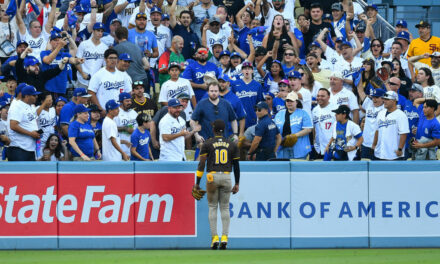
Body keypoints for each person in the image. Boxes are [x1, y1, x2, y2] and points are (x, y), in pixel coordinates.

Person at [193, 119, 240, 250]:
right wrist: (237, 183)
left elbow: (201, 164)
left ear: (213, 129)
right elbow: (236, 166)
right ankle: (224, 237)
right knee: (224, 208)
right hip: (226, 176)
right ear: (224, 130)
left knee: (212, 207)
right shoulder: (232, 144)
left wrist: (197, 182)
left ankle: (214, 238)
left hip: (212, 177)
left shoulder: (207, 143)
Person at [274, 91, 313, 159]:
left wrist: (294, 135)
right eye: (287, 101)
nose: (289, 103)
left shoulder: (303, 113)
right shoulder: (279, 114)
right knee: (284, 168)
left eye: (291, 101)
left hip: (299, 147)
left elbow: (308, 129)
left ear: (296, 102)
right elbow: (275, 130)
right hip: (283, 146)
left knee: (298, 168)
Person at [372, 91, 409, 160]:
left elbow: (403, 134)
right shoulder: (380, 113)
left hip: (393, 154)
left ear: (394, 101)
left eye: (387, 99)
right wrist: (374, 144)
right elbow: (377, 130)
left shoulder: (401, 115)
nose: (384, 101)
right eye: (384, 99)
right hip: (379, 152)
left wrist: (400, 149)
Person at [7, 85, 41, 161]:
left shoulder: (30, 106)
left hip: (29, 147)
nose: (36, 97)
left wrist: (35, 133)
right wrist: (30, 133)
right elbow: (13, 125)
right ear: (26, 96)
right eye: (34, 95)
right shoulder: (17, 106)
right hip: (19, 148)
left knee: (30, 172)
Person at [114, 26, 150, 93]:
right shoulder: (136, 47)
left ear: (116, 37)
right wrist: (137, 68)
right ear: (127, 36)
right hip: (143, 78)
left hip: (131, 81)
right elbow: (147, 65)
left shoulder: (116, 49)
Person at [231, 61, 264, 129]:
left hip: (253, 118)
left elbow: (260, 103)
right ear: (242, 71)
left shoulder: (257, 85)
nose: (247, 70)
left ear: (252, 71)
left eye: (249, 68)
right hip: (238, 118)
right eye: (245, 68)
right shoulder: (235, 84)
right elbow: (232, 102)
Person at [76, 22, 108, 89]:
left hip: (96, 81)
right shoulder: (84, 44)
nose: (100, 33)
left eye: (102, 31)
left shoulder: (105, 47)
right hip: (82, 80)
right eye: (98, 30)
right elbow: (76, 61)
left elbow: (105, 66)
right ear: (93, 31)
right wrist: (82, 73)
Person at [357, 87, 385, 159]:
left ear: (383, 98)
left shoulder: (386, 109)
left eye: (377, 97)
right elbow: (360, 91)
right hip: (365, 143)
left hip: (378, 144)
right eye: (373, 97)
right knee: (364, 166)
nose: (374, 99)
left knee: (376, 168)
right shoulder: (368, 104)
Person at [312, 88, 337, 157]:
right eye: (318, 96)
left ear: (328, 97)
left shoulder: (335, 109)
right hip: (318, 148)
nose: (319, 98)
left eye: (322, 96)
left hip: (331, 147)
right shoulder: (314, 110)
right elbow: (314, 128)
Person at [114, 92, 138, 157]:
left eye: (130, 101)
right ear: (121, 102)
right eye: (127, 101)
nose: (129, 103)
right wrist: (125, 129)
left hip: (134, 148)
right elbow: (112, 129)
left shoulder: (134, 113)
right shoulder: (116, 113)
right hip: (121, 148)